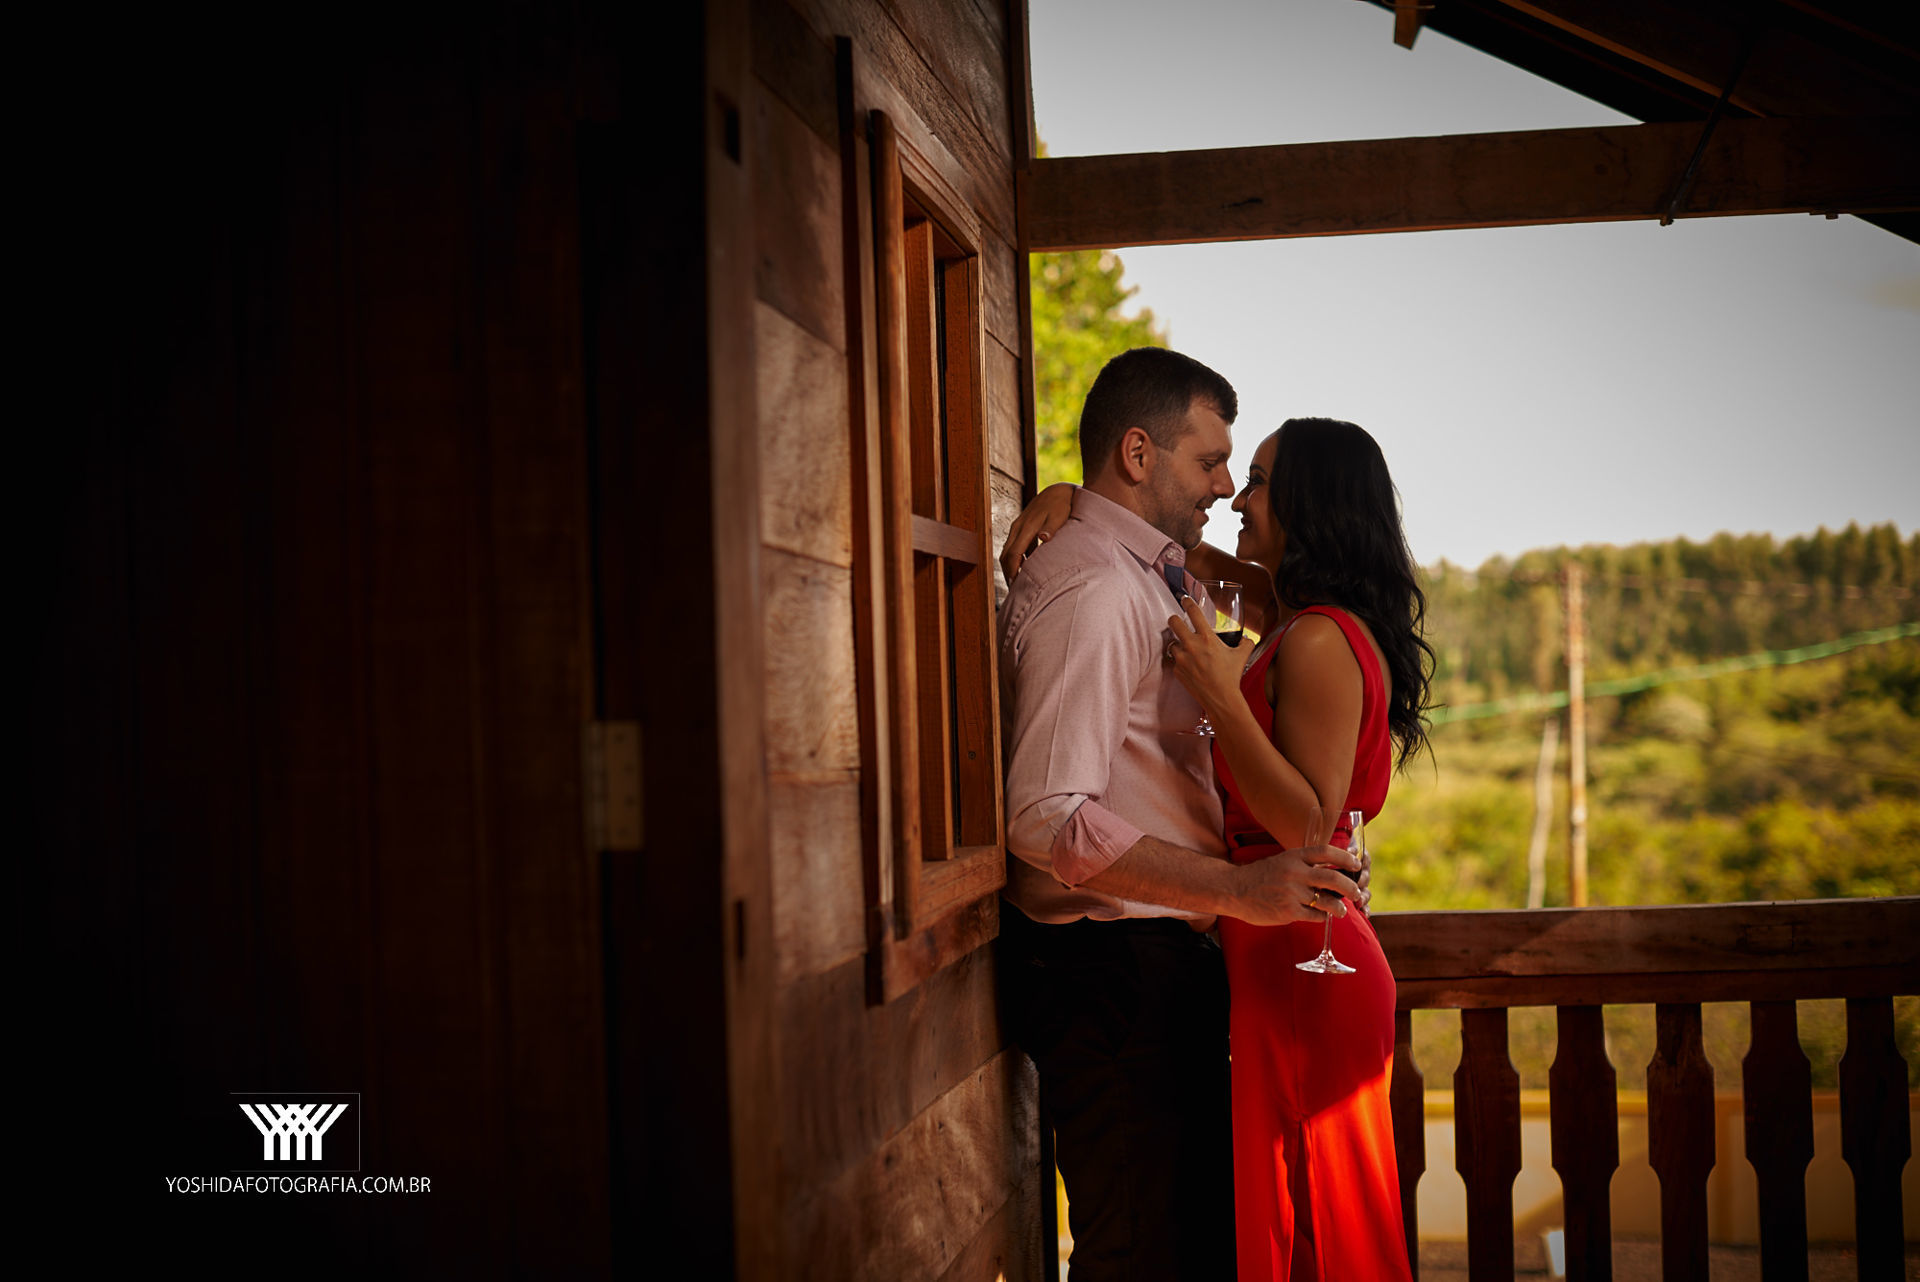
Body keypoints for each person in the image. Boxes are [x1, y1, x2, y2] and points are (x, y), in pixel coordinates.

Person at [1009, 416, 1431, 1281]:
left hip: (1301, 948)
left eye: (1261, 480)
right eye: (1228, 470)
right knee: (1284, 1207)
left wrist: (1221, 698)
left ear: (1313, 502)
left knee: (1320, 1211)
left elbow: (1309, 825)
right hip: (1263, 943)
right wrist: (1071, 499)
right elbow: (1192, 558)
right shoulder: (1289, 615)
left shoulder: (1318, 636)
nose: (1237, 495)